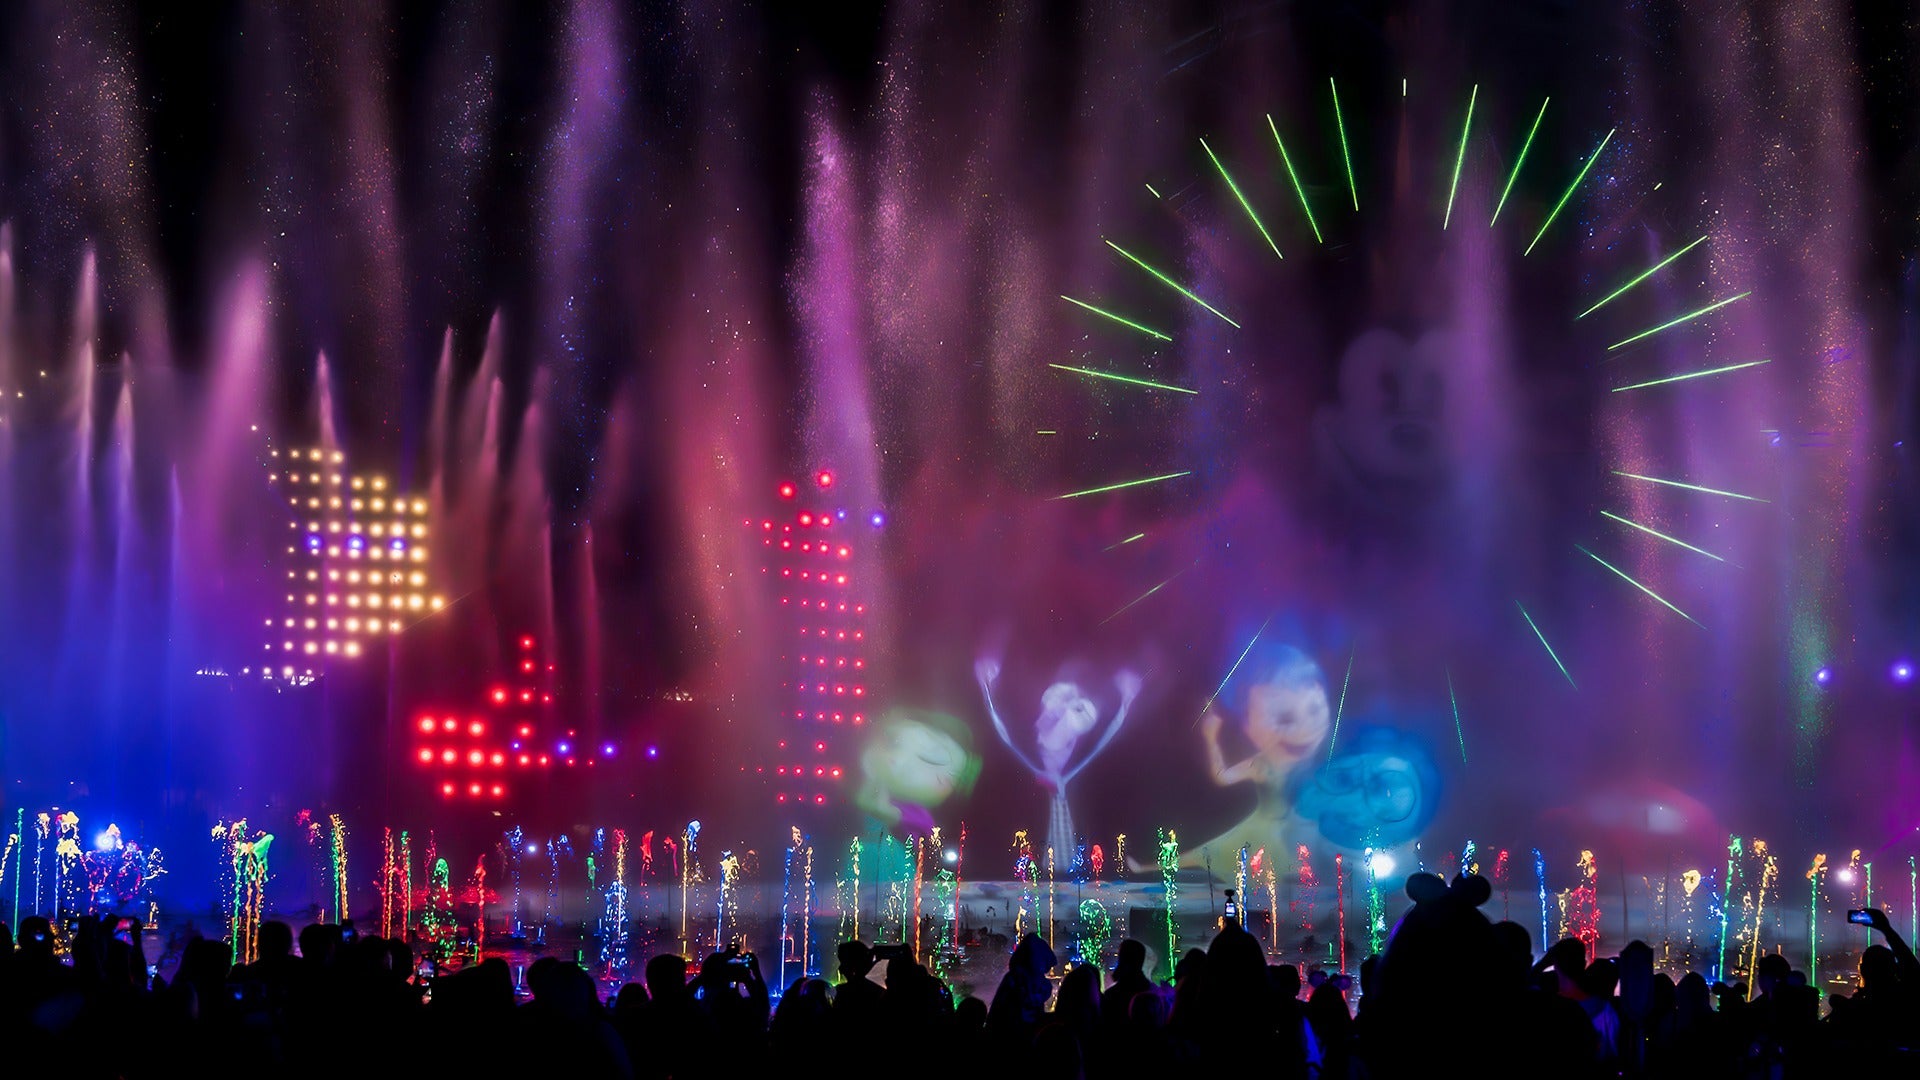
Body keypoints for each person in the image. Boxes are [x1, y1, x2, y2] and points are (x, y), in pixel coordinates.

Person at [977, 658, 1142, 868]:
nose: (1062, 713)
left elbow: (1110, 732)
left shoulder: (1085, 774)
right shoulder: (1019, 766)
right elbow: (1001, 728)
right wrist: (987, 688)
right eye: (1057, 699)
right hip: (1033, 879)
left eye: (1078, 709)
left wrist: (1126, 699)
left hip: (1078, 881)